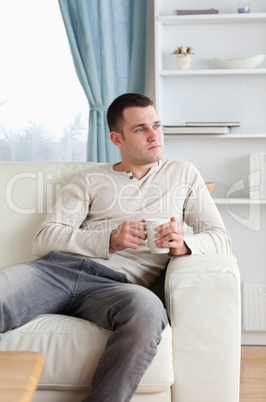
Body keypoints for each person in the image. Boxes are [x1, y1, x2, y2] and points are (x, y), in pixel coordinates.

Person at [0, 93, 231, 402]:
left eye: (157, 125)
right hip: (57, 271)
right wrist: (108, 239)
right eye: (140, 129)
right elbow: (45, 238)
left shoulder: (183, 174)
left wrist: (183, 245)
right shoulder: (90, 179)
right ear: (116, 138)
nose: (154, 136)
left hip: (117, 286)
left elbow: (219, 236)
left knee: (148, 311)